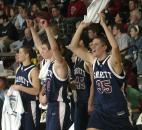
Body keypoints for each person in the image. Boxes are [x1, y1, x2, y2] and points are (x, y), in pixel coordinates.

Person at [70, 13, 133, 130]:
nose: (92, 46)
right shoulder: (93, 61)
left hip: (117, 110)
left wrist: (103, 24)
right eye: (92, 44)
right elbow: (73, 47)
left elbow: (115, 47)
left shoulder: (112, 62)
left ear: (104, 47)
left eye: (96, 44)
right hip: (100, 110)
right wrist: (81, 27)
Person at [35, 18, 72, 130]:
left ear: (52, 51)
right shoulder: (50, 64)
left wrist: (47, 28)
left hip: (60, 105)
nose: (41, 51)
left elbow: (55, 48)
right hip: (51, 105)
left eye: (45, 49)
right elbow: (48, 83)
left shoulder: (60, 63)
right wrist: (42, 94)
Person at [11, 46, 41, 130]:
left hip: (30, 105)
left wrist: (20, 87)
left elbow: (36, 91)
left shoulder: (34, 70)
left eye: (20, 52)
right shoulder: (18, 69)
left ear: (27, 55)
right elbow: (15, 87)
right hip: (19, 105)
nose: (18, 55)